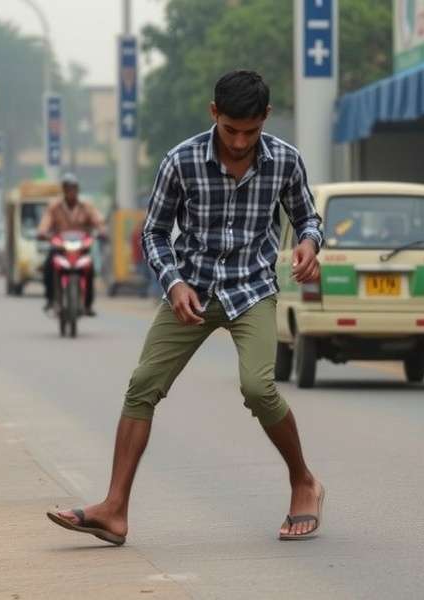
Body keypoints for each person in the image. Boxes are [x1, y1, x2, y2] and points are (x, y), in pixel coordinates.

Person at [46, 70, 325, 544]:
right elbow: (154, 233)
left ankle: (304, 481)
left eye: (251, 131)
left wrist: (309, 243)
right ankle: (114, 510)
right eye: (230, 129)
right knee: (142, 386)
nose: (239, 142)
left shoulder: (285, 160)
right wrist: (173, 283)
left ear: (266, 118)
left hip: (252, 289)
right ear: (214, 113)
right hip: (190, 291)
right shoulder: (181, 161)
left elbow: (307, 216)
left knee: (258, 388)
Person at [37, 173, 106, 316]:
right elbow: (45, 223)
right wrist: (43, 233)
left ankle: (88, 304)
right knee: (48, 266)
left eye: (73, 188)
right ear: (63, 190)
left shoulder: (86, 207)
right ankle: (50, 299)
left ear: (77, 190)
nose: (71, 192)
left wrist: (102, 231)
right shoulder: (54, 207)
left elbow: (98, 220)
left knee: (90, 269)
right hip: (60, 248)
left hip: (81, 248)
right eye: (68, 188)